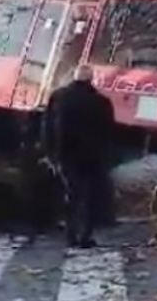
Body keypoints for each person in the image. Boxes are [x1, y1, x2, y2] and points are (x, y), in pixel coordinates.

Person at [42, 64, 115, 248]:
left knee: (71, 194)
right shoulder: (102, 103)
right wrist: (107, 158)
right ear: (91, 80)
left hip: (65, 154)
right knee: (90, 197)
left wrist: (50, 153)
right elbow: (108, 133)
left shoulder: (58, 97)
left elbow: (47, 127)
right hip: (92, 157)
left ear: (74, 78)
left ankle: (70, 234)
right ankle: (86, 236)